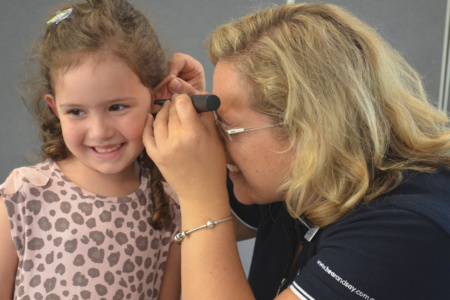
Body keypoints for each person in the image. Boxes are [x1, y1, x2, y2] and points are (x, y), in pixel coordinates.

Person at [144, 3, 450, 300]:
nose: (217, 145)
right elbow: (169, 220)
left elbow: (201, 217)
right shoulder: (306, 178)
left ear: (308, 131)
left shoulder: (406, 233)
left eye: (227, 128)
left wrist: (201, 196)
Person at [0, 1, 181, 299]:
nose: (100, 131)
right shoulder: (23, 194)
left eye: (117, 107)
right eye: (76, 112)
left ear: (157, 96)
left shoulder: (170, 208)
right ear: (54, 108)